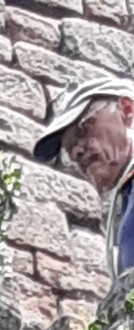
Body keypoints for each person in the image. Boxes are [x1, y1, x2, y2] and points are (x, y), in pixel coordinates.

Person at [33, 77, 134, 279]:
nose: (76, 152)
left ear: (127, 111)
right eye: (68, 147)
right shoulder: (124, 203)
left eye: (84, 129)